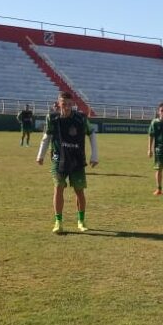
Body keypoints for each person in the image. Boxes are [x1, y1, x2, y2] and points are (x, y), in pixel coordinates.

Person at [36, 91, 99, 234]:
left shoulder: (81, 118)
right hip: (59, 159)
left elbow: (92, 133)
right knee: (58, 188)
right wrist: (41, 155)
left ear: (73, 104)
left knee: (79, 191)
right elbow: (47, 136)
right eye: (64, 104)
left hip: (77, 159)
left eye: (69, 104)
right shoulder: (52, 118)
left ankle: (81, 221)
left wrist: (94, 155)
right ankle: (58, 221)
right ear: (59, 104)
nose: (67, 107)